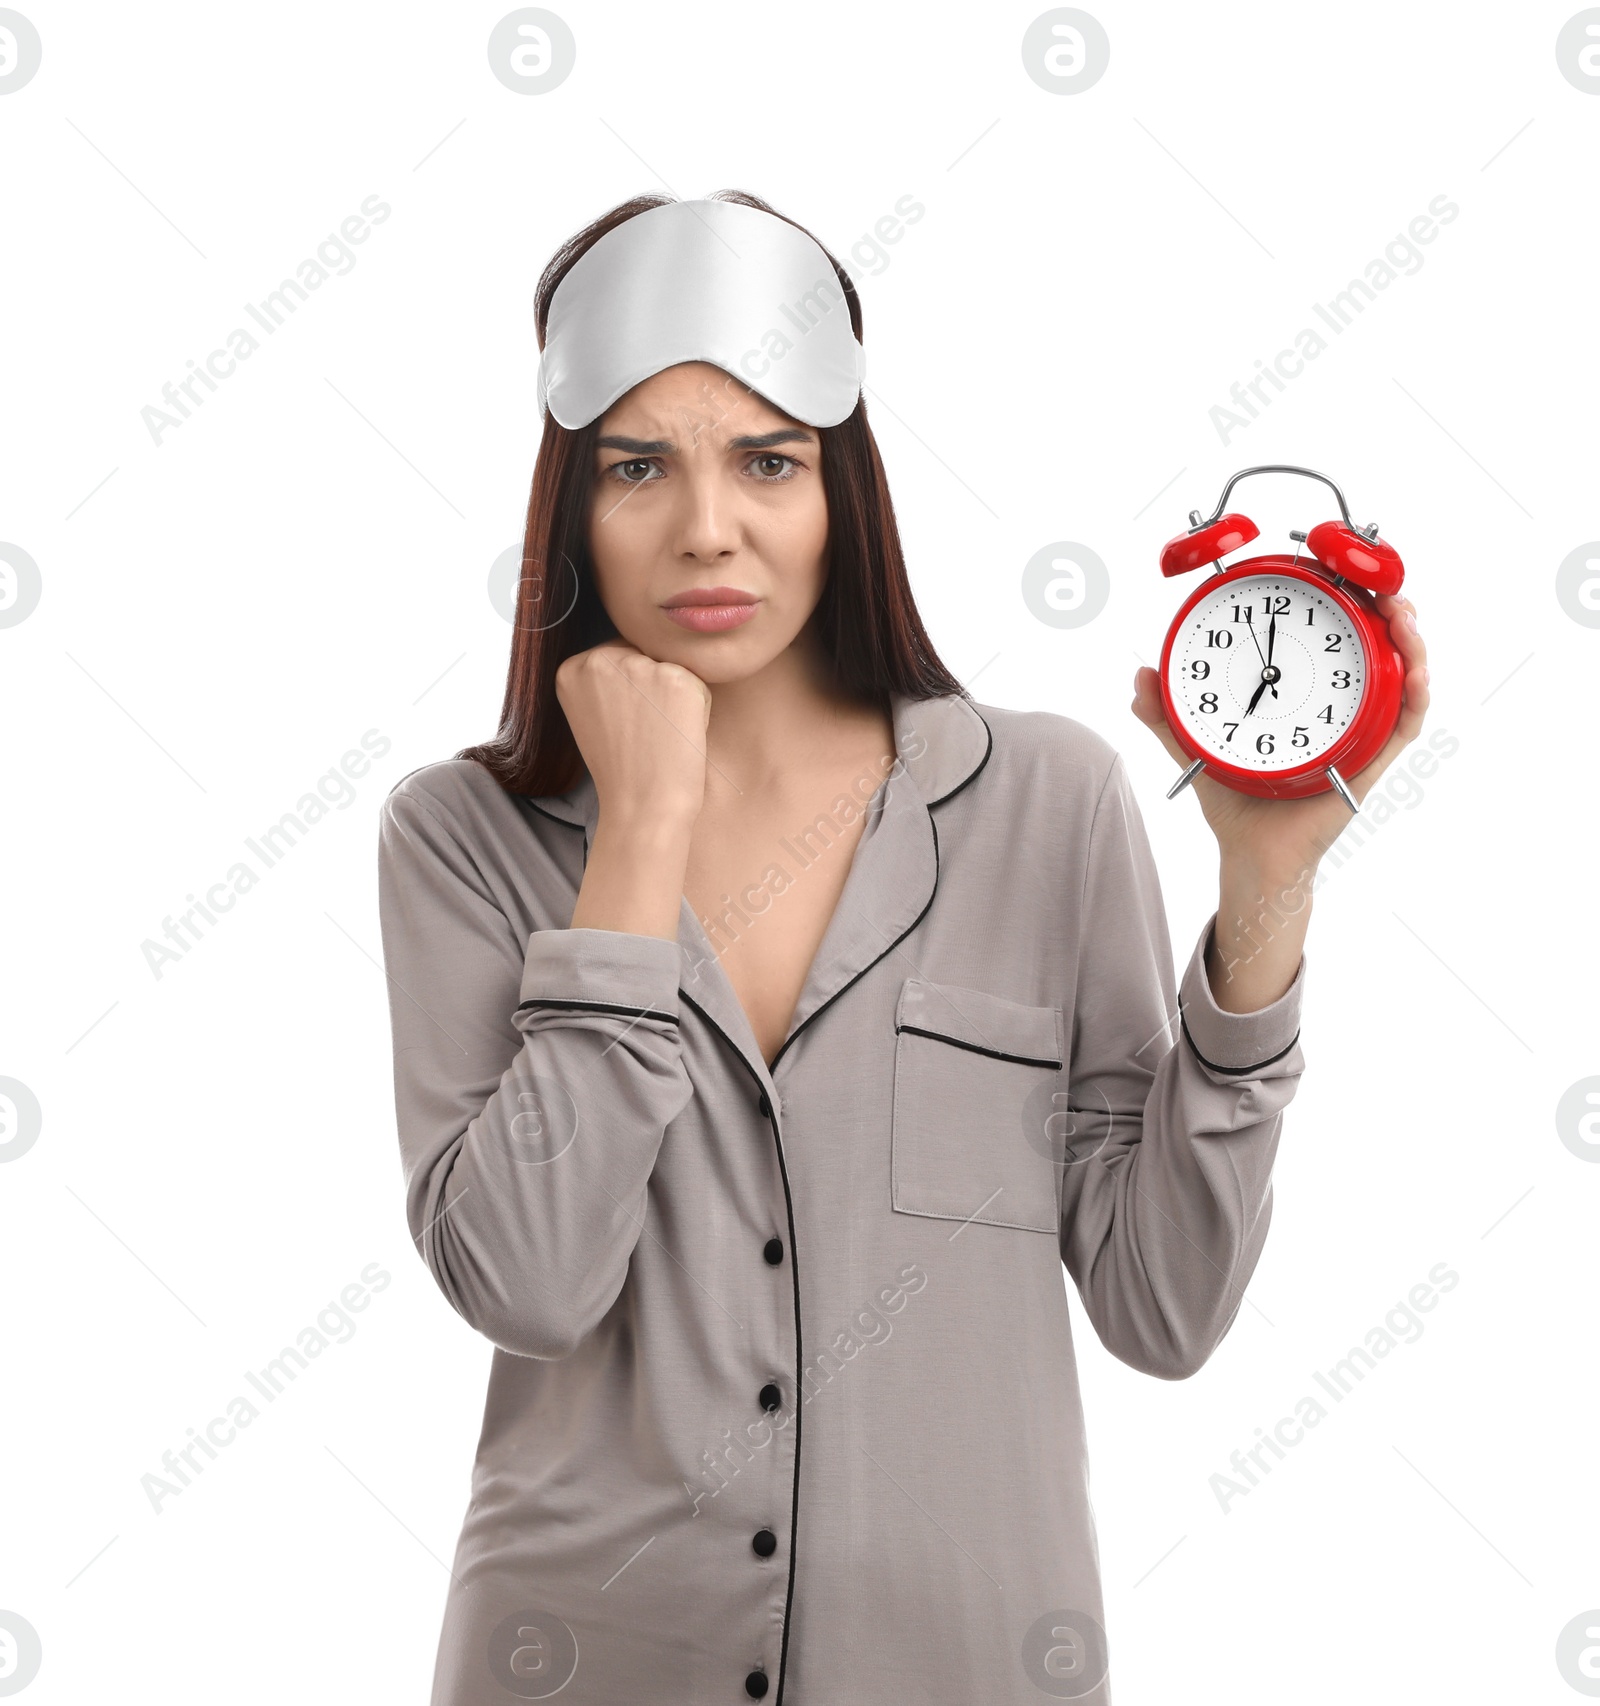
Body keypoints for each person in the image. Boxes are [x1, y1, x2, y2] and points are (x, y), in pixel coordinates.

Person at [376, 190, 1430, 1705]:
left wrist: (1266, 891)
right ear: (571, 509)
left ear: (842, 489)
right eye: (636, 467)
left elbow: (1167, 1304)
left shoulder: (1047, 801)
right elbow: (527, 1282)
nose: (706, 528)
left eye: (768, 460)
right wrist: (638, 838)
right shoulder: (463, 835)